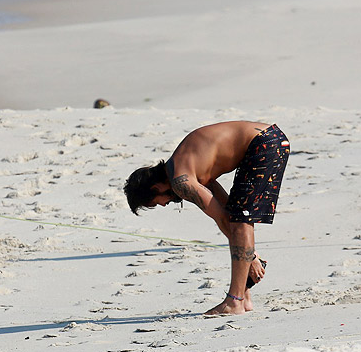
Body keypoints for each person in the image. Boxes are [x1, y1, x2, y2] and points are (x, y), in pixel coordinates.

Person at [123, 121, 290, 315]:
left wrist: (252, 256)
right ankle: (243, 297)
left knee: (240, 223)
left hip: (264, 144)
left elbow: (223, 220)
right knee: (238, 219)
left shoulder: (181, 181)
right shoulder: (183, 166)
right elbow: (228, 210)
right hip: (269, 139)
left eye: (156, 202)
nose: (163, 205)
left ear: (155, 188)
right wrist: (250, 255)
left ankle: (234, 302)